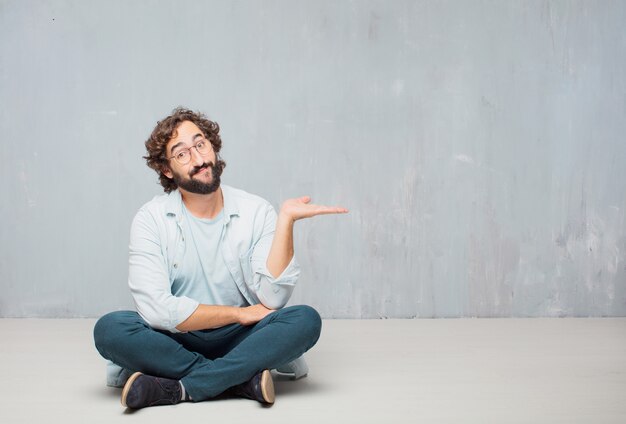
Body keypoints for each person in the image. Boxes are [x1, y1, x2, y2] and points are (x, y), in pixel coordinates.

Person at [93, 107, 348, 409]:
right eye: (183, 153)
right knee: (110, 329)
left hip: (242, 338)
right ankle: (240, 380)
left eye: (200, 144)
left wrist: (286, 223)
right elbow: (157, 311)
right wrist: (238, 314)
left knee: (305, 320)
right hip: (176, 338)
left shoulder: (256, 210)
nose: (199, 159)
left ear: (212, 146)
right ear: (166, 169)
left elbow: (273, 298)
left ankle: (179, 388)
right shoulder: (151, 219)